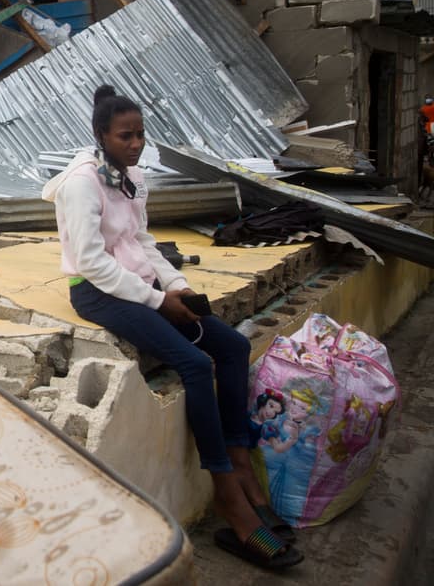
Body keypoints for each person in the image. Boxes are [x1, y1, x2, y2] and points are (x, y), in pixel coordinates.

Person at [41, 85, 303, 571]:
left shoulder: (132, 177)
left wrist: (176, 287)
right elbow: (94, 264)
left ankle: (240, 460)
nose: (136, 143)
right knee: (195, 363)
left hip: (140, 284)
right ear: (101, 136)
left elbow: (143, 240)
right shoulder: (81, 183)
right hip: (97, 291)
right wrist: (159, 301)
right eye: (125, 136)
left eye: (140, 134)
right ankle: (227, 490)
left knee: (232, 347)